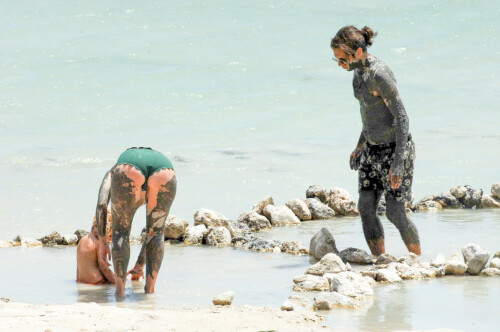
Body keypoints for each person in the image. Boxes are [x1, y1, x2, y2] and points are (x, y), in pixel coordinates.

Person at [330, 26, 421, 256]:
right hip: (371, 149)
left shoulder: (379, 74)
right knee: (366, 208)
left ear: (358, 52)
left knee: (395, 212)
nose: (340, 65)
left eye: (342, 60)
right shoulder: (357, 73)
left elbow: (401, 117)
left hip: (395, 149)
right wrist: (360, 145)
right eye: (337, 60)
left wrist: (398, 161)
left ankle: (418, 261)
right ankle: (379, 260)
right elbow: (369, 113)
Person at [94, 147, 176, 296]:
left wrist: (102, 240)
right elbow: (151, 235)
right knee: (157, 233)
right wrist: (140, 265)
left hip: (128, 169)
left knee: (121, 233)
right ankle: (149, 291)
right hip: (166, 170)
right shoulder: (156, 161)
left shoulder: (113, 171)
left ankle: (120, 293)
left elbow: (101, 204)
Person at [76, 213, 115, 285]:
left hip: (81, 281)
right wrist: (117, 282)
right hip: (96, 281)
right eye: (111, 235)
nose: (111, 238)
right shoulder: (99, 244)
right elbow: (105, 269)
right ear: (107, 229)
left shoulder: (82, 240)